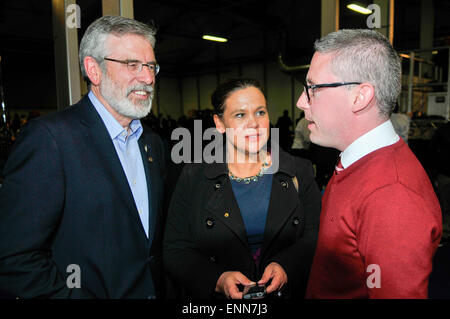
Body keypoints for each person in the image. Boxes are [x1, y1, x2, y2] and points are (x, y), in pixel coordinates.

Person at [0, 15, 166, 298]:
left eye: (150, 66)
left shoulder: (151, 143)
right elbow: (14, 258)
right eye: (132, 64)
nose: (148, 78)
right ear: (94, 69)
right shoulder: (50, 140)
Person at [297, 29, 442, 299]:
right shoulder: (358, 162)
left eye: (313, 88)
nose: (301, 101)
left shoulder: (392, 196)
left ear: (359, 97)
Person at [163, 78, 321, 299]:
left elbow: (315, 236)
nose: (253, 123)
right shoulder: (194, 176)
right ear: (219, 123)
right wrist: (217, 279)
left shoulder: (298, 171)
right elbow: (176, 249)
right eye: (240, 115)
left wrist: (286, 266)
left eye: (260, 112)